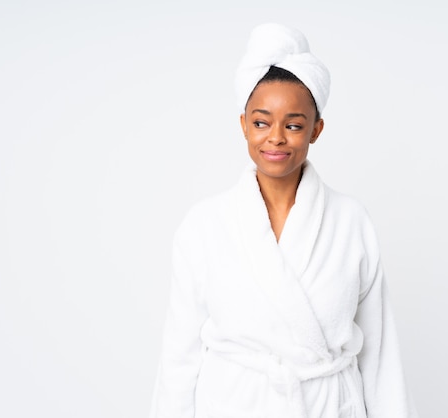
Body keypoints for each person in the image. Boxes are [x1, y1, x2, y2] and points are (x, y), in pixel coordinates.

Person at [149, 23, 418, 418]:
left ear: (316, 130)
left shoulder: (351, 222)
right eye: (261, 122)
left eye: (293, 125)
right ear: (244, 125)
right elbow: (178, 362)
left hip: (328, 407)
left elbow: (380, 358)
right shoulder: (204, 226)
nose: (275, 137)